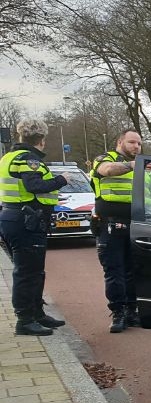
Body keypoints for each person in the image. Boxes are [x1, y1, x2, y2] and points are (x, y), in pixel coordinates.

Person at [0, 120, 73, 335]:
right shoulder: (28, 159)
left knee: (34, 270)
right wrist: (61, 179)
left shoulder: (8, 157)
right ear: (42, 139)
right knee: (27, 272)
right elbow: (34, 186)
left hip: (14, 217)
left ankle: (36, 313)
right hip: (26, 220)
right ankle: (25, 320)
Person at [91, 129, 143, 333]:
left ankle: (132, 310)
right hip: (111, 225)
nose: (136, 147)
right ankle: (118, 312)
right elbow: (108, 170)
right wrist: (132, 165)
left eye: (139, 143)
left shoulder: (141, 165)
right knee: (115, 271)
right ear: (120, 142)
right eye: (132, 142)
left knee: (135, 270)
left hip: (137, 224)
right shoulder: (105, 158)